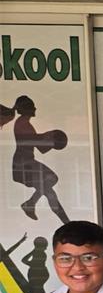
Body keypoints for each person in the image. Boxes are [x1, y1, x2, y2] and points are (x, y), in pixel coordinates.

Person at [0, 95, 70, 223]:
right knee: (51, 180)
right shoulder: (22, 123)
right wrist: (51, 136)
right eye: (32, 106)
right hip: (24, 164)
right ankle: (65, 222)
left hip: (27, 163)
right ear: (27, 109)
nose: (35, 108)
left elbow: (40, 146)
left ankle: (32, 204)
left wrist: (49, 137)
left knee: (48, 188)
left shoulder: (25, 123)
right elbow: (37, 144)